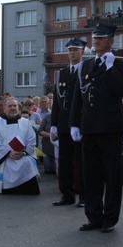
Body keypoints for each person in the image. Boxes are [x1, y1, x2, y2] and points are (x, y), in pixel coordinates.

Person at [69, 23, 123, 233]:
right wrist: (74, 124)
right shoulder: (86, 66)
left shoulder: (120, 65)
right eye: (94, 38)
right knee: (91, 174)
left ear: (111, 41)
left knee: (112, 175)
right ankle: (94, 216)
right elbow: (78, 97)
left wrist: (110, 67)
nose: (96, 41)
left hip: (111, 128)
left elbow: (121, 90)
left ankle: (110, 218)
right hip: (89, 127)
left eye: (101, 38)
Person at [50, 38, 86, 207]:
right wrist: (54, 124)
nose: (72, 53)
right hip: (64, 124)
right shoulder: (62, 74)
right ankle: (67, 194)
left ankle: (85, 196)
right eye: (70, 50)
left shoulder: (87, 70)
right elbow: (57, 101)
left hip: (81, 124)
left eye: (75, 50)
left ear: (82, 52)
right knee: (64, 162)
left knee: (83, 161)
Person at [0, 98, 40, 194]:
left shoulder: (26, 123)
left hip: (22, 155)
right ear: (4, 109)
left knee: (28, 162)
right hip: (5, 157)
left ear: (18, 108)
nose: (12, 108)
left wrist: (24, 152)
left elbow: (32, 140)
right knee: (6, 165)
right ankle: (6, 189)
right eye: (9, 106)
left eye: (14, 106)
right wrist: (8, 153)